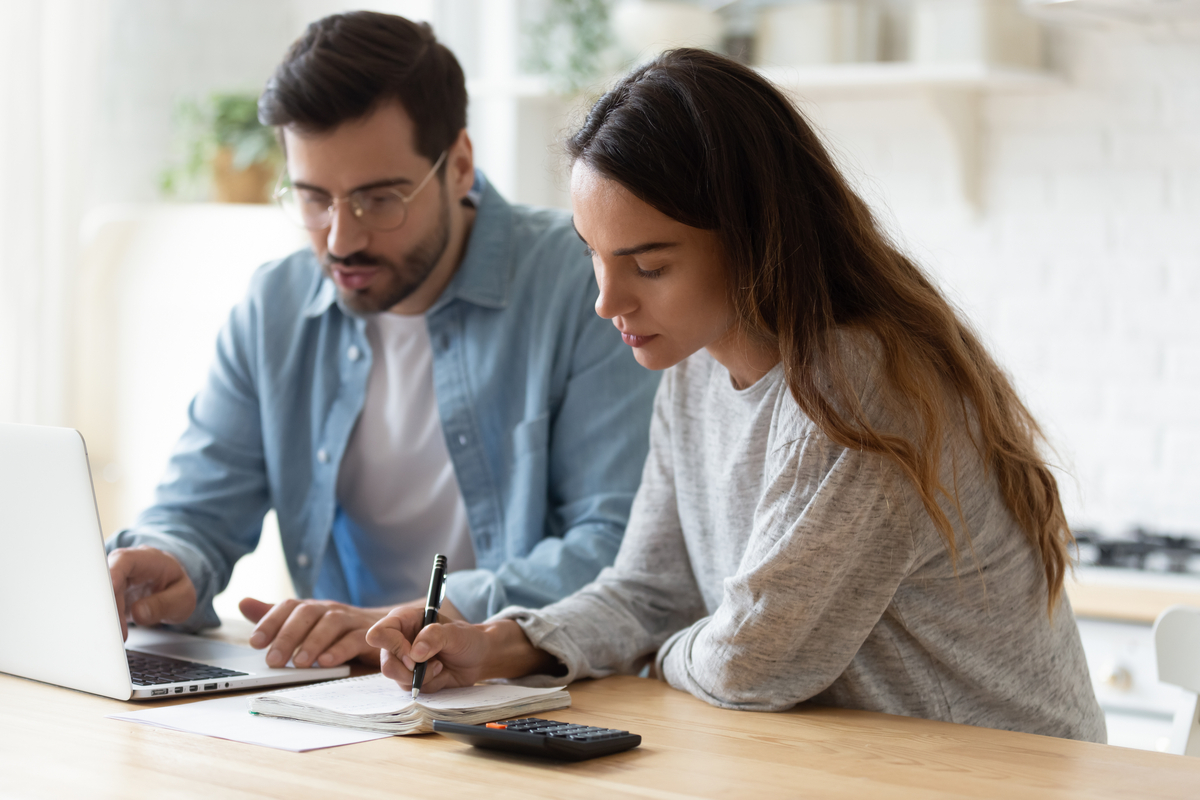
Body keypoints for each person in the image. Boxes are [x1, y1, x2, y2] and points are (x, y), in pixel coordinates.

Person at [366, 48, 1107, 742]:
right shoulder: (693, 371)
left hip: (1000, 773)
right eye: (593, 256)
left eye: (648, 266)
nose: (606, 301)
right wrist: (502, 644)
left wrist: (662, 656)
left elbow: (754, 663)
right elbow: (650, 591)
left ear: (755, 238)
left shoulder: (858, 385)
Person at [104, 12, 659, 671]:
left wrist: (423, 616)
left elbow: (617, 548)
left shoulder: (585, 286)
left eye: (378, 200)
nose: (340, 239)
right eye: (313, 199)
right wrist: (170, 561)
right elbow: (198, 506)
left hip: (527, 692)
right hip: (343, 697)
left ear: (458, 164)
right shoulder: (273, 306)